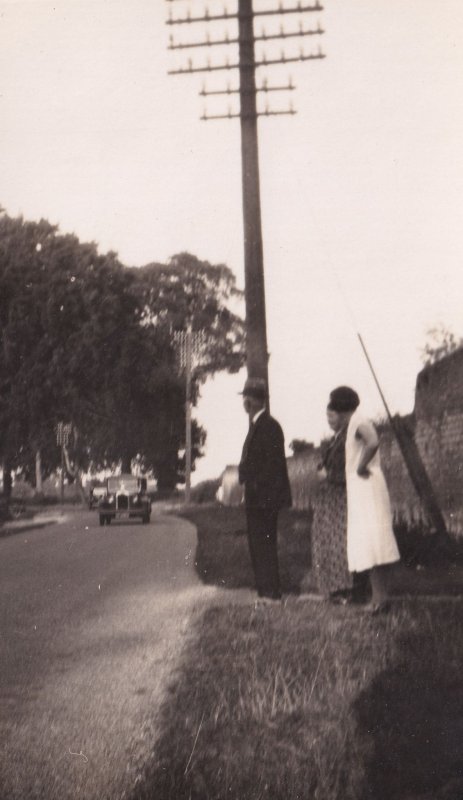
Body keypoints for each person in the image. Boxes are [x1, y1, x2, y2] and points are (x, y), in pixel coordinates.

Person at [329, 386, 400, 614]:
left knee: (373, 542)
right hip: (362, 488)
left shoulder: (358, 422)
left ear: (340, 407)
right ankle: (381, 599)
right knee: (372, 543)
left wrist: (360, 467)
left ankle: (380, 600)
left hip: (365, 485)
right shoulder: (354, 423)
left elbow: (372, 442)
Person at [238, 377, 292, 604]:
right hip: (255, 497)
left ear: (251, 401)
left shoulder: (269, 426)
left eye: (246, 398)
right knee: (258, 544)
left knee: (264, 544)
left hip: (265, 498)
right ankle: (264, 591)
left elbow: (271, 466)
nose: (244, 403)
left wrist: (255, 486)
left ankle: (271, 593)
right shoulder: (257, 425)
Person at [311, 401, 352, 603]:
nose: (329, 420)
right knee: (326, 541)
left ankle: (342, 589)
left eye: (332, 416)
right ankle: (332, 589)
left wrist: (328, 474)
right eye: (327, 416)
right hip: (328, 499)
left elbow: (348, 470)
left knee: (338, 541)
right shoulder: (333, 440)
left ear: (342, 415)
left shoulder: (347, 438)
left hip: (338, 498)